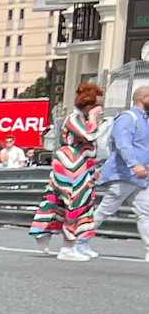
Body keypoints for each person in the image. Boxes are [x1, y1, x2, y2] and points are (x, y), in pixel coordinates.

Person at [33, 84, 110, 258]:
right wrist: (93, 117)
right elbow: (89, 136)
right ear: (89, 104)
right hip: (70, 167)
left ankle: (80, 244)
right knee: (74, 204)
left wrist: (93, 170)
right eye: (98, 105)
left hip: (82, 167)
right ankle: (68, 247)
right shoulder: (74, 119)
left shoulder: (83, 119)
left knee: (84, 205)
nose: (100, 108)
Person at [88, 82, 149, 259]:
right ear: (144, 99)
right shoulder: (128, 118)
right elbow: (123, 145)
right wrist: (134, 164)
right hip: (124, 175)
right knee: (106, 209)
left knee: (145, 212)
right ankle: (78, 241)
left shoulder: (144, 119)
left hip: (140, 177)